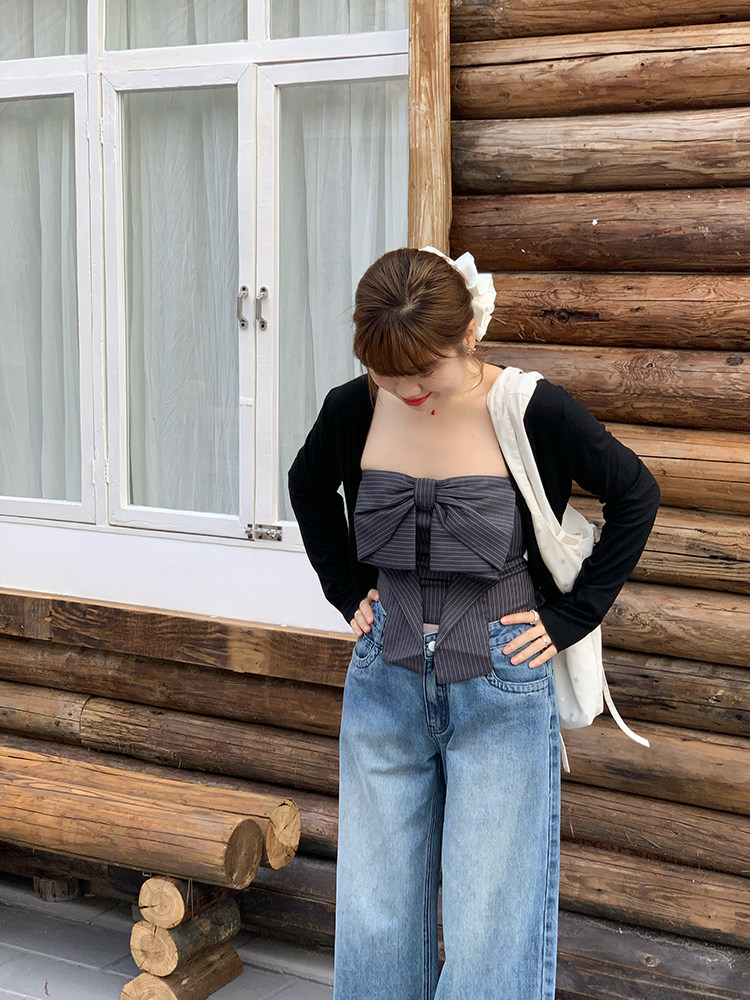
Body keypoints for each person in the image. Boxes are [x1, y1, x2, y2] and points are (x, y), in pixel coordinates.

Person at [288, 247, 660, 1000]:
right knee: (376, 905)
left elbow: (636, 494)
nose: (406, 391)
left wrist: (570, 616)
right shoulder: (354, 407)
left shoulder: (530, 410)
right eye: (386, 374)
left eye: (423, 372)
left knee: (491, 911)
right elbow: (308, 484)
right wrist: (346, 591)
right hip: (385, 673)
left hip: (500, 676)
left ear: (469, 336)